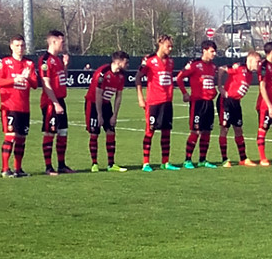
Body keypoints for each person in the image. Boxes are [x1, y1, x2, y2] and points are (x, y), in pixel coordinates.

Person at [0, 34, 38, 177]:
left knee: (21, 138)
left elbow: (35, 84)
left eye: (22, 46)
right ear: (11, 46)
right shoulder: (4, 63)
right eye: (17, 45)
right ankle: (5, 169)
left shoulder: (29, 64)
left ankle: (18, 169)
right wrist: (14, 80)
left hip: (24, 108)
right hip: (9, 107)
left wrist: (27, 78)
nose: (20, 48)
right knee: (10, 136)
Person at [136, 34, 181, 172]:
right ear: (160, 43)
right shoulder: (149, 61)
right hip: (153, 102)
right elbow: (138, 78)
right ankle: (146, 163)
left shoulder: (171, 62)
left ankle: (165, 162)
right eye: (168, 46)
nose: (171, 48)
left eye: (172, 46)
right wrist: (140, 97)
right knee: (150, 131)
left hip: (167, 102)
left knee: (166, 132)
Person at [178, 40, 219, 169]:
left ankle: (202, 159)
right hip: (198, 103)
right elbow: (179, 77)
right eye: (212, 51)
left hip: (209, 103)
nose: (214, 54)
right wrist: (185, 93)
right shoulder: (195, 65)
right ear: (204, 50)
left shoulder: (213, 67)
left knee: (207, 131)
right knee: (195, 130)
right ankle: (187, 159)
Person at [86, 51, 129, 172]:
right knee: (94, 133)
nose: (127, 65)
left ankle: (111, 164)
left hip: (106, 104)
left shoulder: (121, 76)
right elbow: (98, 94)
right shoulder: (103, 73)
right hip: (93, 103)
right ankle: (94, 164)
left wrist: (114, 115)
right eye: (126, 62)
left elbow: (118, 96)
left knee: (111, 131)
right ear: (118, 62)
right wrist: (99, 115)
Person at [38, 30, 73, 175]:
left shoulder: (58, 59)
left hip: (60, 100)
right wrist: (55, 103)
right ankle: (48, 167)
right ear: (53, 41)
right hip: (50, 102)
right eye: (61, 41)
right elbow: (46, 83)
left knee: (63, 133)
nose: (63, 44)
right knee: (50, 133)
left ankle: (62, 165)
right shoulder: (46, 60)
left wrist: (65, 65)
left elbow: (62, 78)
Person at [217, 51, 259, 167]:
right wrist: (220, 87)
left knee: (238, 129)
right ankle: (224, 159)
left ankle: (243, 158)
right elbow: (222, 69)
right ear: (250, 60)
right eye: (257, 62)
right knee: (224, 129)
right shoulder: (240, 67)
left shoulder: (250, 74)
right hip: (226, 101)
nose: (258, 64)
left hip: (236, 103)